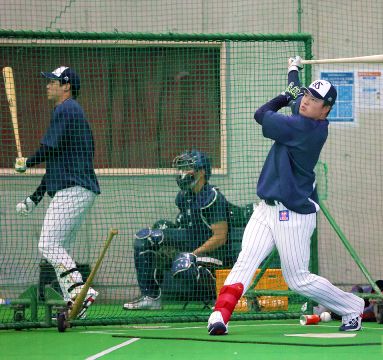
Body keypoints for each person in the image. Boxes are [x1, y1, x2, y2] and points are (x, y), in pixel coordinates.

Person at [207, 56, 365, 335]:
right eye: (307, 94)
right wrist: (293, 72)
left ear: (325, 111)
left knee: (298, 280)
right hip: (266, 209)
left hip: (292, 214)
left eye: (315, 100)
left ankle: (352, 306)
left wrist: (284, 95)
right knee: (246, 260)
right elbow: (296, 95)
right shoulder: (304, 114)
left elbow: (261, 114)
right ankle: (220, 315)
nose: (306, 100)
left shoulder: (304, 128)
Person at [14, 66, 101, 319]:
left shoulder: (67, 109)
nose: (48, 85)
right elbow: (54, 161)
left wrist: (27, 162)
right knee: (58, 247)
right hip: (75, 189)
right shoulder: (68, 112)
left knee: (48, 244)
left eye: (53, 81)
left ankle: (80, 293)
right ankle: (75, 306)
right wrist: (34, 198)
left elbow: (46, 149)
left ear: (66, 86)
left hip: (73, 190)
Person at [123, 150, 232, 310]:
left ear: (201, 172)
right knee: (144, 238)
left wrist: (193, 254)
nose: (182, 173)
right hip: (190, 239)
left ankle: (215, 297)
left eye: (187, 168)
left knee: (184, 265)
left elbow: (220, 237)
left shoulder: (212, 198)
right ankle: (151, 297)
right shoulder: (183, 196)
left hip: (212, 253)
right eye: (181, 168)